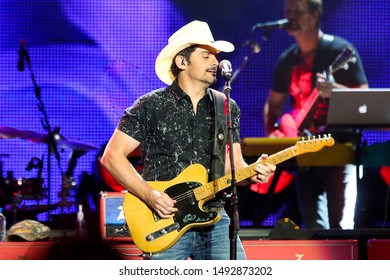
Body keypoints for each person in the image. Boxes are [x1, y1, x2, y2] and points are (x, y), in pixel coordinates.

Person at [101, 20, 276, 260]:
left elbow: (231, 167)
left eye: (215, 56)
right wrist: (149, 195)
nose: (216, 62)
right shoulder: (150, 105)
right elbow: (112, 156)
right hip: (163, 217)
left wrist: (253, 173)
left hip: (214, 215)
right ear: (182, 61)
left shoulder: (226, 107)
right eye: (206, 56)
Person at [264, 0, 368, 229]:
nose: (290, 17)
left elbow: (366, 103)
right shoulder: (287, 59)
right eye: (288, 12)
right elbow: (273, 105)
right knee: (313, 227)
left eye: (297, 12)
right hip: (304, 150)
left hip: (339, 148)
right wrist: (274, 135)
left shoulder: (338, 50)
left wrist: (336, 91)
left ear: (315, 15)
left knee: (342, 226)